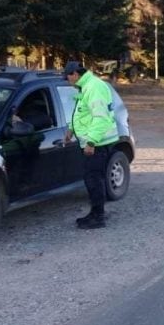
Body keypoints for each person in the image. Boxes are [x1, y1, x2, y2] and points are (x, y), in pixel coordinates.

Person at [63, 61, 120, 229]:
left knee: (94, 179)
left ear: (74, 74)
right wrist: (71, 129)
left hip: (99, 143)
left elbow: (100, 117)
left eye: (67, 77)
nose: (68, 81)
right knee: (92, 178)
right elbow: (82, 112)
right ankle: (95, 213)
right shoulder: (85, 86)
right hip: (94, 141)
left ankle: (98, 216)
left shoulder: (95, 87)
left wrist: (91, 141)